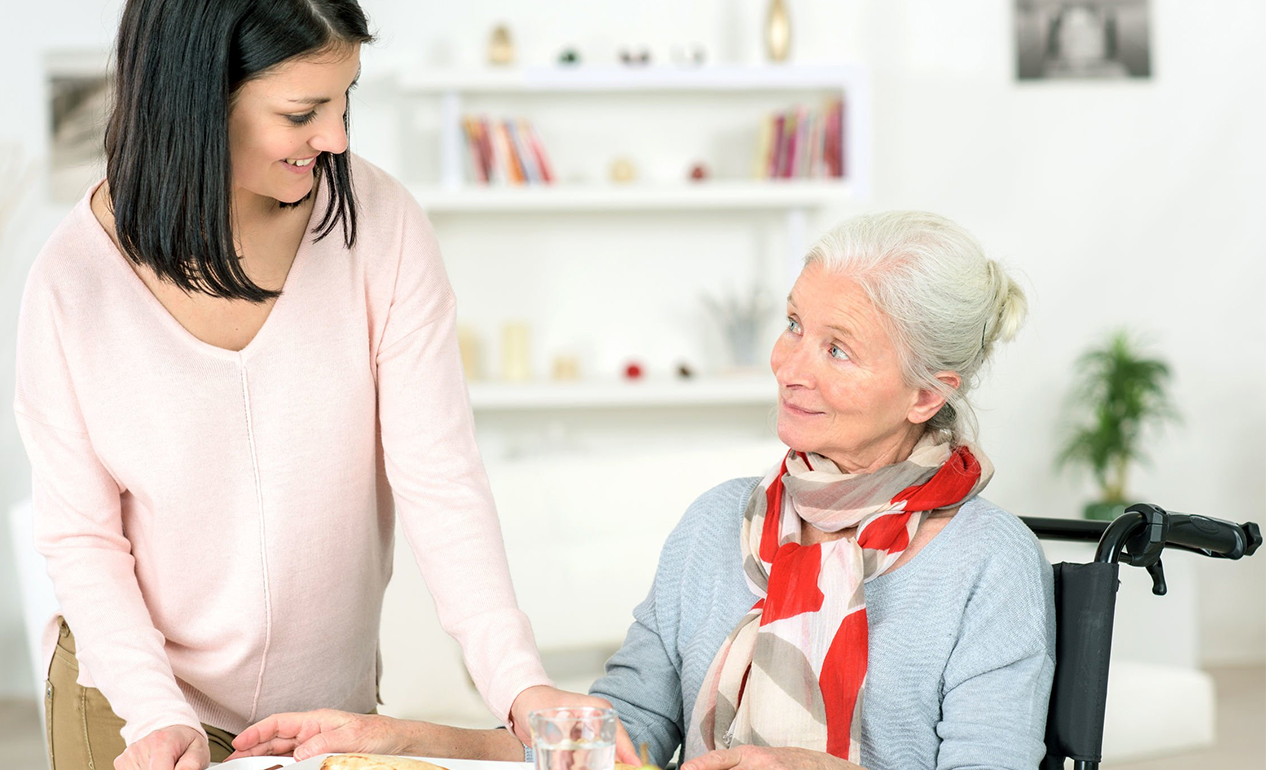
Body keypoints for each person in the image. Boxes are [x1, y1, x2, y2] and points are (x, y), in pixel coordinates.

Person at [13, 2, 623, 769]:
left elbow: (440, 481)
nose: (334, 136)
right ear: (197, 99)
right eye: (302, 111)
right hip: (137, 712)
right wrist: (156, 715)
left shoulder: (383, 229)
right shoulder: (72, 283)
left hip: (326, 722)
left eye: (346, 99)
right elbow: (82, 538)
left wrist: (519, 687)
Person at [227, 211, 1057, 770]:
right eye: (796, 324)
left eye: (839, 350)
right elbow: (614, 746)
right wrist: (397, 740)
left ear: (926, 394)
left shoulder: (989, 564)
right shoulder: (716, 526)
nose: (789, 365)